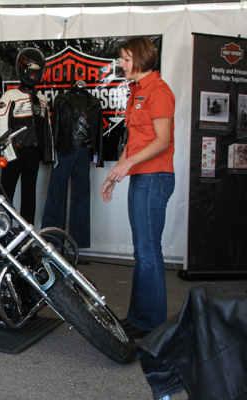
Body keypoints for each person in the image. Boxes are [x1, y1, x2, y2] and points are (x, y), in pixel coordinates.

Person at [100, 36, 175, 339]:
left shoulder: (158, 91)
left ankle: (152, 323)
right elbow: (133, 142)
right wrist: (114, 174)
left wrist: (126, 166)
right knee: (142, 251)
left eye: (126, 59)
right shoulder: (136, 91)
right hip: (140, 176)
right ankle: (140, 317)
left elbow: (162, 140)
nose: (121, 64)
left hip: (154, 177)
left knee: (147, 251)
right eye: (121, 59)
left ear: (141, 58)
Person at [0, 47, 53, 225]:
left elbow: (47, 129)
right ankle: (1, 233)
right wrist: (9, 153)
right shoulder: (10, 96)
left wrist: (48, 154)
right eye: (30, 70)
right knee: (6, 194)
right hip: (14, 152)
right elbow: (2, 126)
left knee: (29, 195)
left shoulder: (42, 99)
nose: (34, 75)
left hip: (33, 153)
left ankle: (27, 237)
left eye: (37, 70)